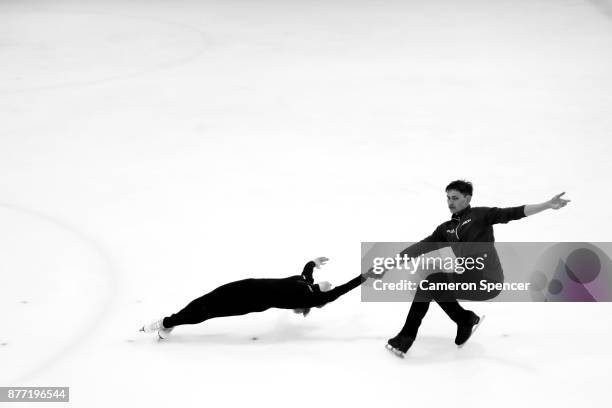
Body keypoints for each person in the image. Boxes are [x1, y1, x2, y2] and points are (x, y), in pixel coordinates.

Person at [386, 180, 570, 357]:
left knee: (432, 283)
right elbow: (420, 247)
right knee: (430, 283)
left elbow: (513, 213)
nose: (450, 202)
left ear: (467, 199)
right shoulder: (446, 229)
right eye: (448, 198)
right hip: (468, 279)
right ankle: (464, 320)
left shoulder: (480, 216)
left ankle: (407, 337)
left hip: (488, 282)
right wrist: (386, 265)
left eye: (455, 198)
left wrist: (546, 205)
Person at [141, 257, 377, 339]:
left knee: (206, 312)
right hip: (247, 285)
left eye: (330, 287)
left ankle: (165, 323)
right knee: (204, 300)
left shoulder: (310, 300)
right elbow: (307, 268)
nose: (330, 283)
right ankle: (172, 321)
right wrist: (313, 262)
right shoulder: (307, 282)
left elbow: (346, 287)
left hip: (249, 302)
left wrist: (366, 276)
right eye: (330, 283)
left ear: (326, 295)